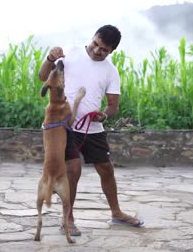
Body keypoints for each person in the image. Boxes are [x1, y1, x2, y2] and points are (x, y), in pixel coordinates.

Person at [38, 24, 144, 236]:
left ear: (112, 51)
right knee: (73, 169)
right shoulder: (70, 52)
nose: (97, 50)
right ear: (93, 38)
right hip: (64, 126)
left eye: (104, 49)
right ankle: (67, 219)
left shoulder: (111, 72)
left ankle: (116, 213)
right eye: (96, 44)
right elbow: (43, 77)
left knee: (106, 169)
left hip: (93, 128)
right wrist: (50, 59)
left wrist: (103, 115)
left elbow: (113, 105)